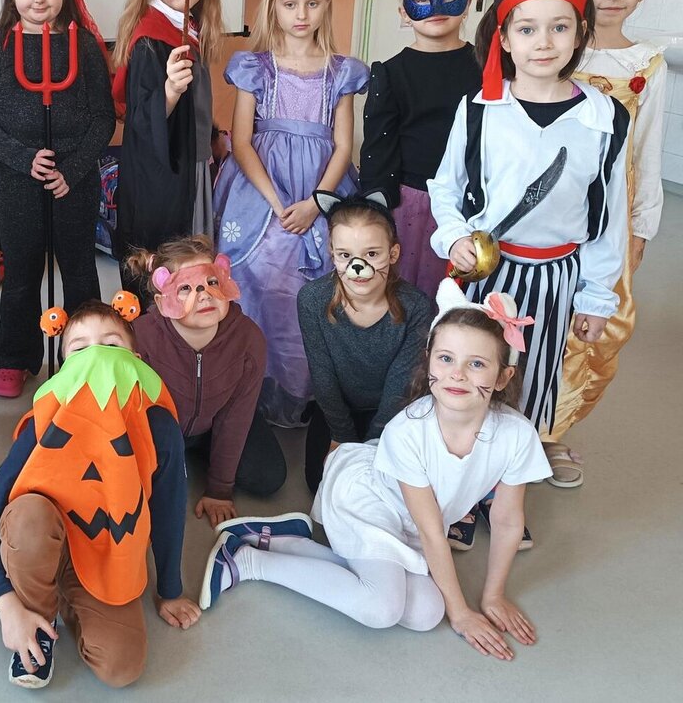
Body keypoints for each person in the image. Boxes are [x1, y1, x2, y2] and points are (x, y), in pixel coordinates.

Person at [201, 280, 552, 661]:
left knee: (426, 614)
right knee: (380, 608)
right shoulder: (408, 431)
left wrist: (493, 596)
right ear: (429, 361)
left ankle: (283, 540)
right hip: (369, 501)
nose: (457, 374)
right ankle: (247, 561)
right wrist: (462, 613)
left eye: (477, 364)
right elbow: (432, 532)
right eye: (446, 358)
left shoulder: (517, 435)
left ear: (502, 377)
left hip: (412, 524)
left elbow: (507, 521)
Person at [428, 0, 629, 456]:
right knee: (472, 373)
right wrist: (454, 237)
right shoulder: (479, 108)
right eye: (527, 28)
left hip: (555, 279)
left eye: (559, 26)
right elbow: (446, 187)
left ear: (580, 32)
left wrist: (596, 296)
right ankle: (460, 468)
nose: (543, 42)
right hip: (487, 275)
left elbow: (609, 216)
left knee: (531, 379)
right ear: (504, 38)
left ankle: (508, 473)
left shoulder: (604, 117)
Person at [0, 298, 198, 689]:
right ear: (64, 369)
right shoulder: (43, 425)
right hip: (43, 535)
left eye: (111, 345)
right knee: (28, 517)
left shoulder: (157, 425)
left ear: (136, 361)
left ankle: (69, 596)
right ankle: (37, 619)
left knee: (122, 668)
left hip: (107, 552)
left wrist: (169, 591)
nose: (97, 356)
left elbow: (168, 508)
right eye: (80, 349)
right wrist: (7, 605)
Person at [212, 0, 368, 427]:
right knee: (258, 272)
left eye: (313, 4)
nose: (301, 14)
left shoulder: (341, 72)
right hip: (263, 191)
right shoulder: (255, 67)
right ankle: (250, 388)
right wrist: (280, 204)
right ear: (273, 7)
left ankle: (306, 391)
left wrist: (317, 203)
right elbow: (241, 142)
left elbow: (344, 145)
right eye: (290, 4)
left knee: (320, 281)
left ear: (327, 6)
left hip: (322, 189)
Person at [0, 0, 115, 398]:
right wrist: (22, 158)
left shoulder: (85, 46)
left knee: (79, 268)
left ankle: (87, 354)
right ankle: (15, 357)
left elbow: (103, 118)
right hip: (16, 178)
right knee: (22, 270)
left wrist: (71, 169)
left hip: (75, 177)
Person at [552, 0, 667, 468]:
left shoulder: (648, 64)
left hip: (611, 214)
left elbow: (647, 151)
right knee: (536, 316)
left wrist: (640, 230)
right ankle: (510, 424)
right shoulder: (553, 45)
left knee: (597, 321)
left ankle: (551, 430)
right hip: (550, 207)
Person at [125, 234, 287, 524]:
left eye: (212, 282)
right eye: (185, 288)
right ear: (162, 302)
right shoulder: (141, 336)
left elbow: (236, 416)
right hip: (161, 429)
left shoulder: (248, 339)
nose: (204, 295)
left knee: (268, 475)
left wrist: (220, 489)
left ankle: (202, 452)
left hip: (218, 419)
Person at [111, 0, 225, 300]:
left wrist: (212, 135)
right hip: (165, 180)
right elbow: (141, 120)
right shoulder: (151, 38)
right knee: (167, 267)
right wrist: (170, 91)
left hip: (193, 164)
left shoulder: (187, 26)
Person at [359, 0, 482, 298]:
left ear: (468, 2)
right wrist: (376, 214)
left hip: (475, 199)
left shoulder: (489, 68)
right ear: (404, 12)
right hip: (413, 205)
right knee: (413, 296)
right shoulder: (391, 73)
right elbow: (378, 150)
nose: (437, 8)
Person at [299, 191, 433, 493]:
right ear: (332, 253)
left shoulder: (416, 306)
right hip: (337, 409)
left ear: (393, 254)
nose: (357, 266)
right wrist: (342, 439)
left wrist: (374, 443)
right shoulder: (312, 300)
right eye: (345, 255)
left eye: (372, 254)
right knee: (321, 484)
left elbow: (401, 381)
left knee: (389, 487)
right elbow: (322, 374)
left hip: (393, 411)